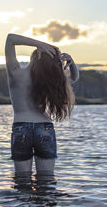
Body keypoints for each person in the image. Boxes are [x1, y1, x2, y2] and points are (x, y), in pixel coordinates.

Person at [5, 33, 79, 176]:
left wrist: (38, 44)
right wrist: (71, 63)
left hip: (21, 127)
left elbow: (11, 39)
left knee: (22, 181)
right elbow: (74, 78)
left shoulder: (15, 74)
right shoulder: (48, 81)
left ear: (34, 58)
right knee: (46, 179)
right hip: (44, 128)